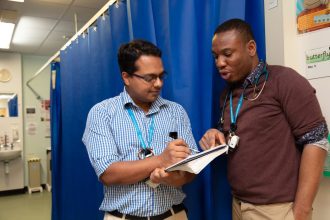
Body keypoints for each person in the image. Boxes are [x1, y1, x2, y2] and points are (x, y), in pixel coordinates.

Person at [199, 18, 329, 220]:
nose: (219, 63)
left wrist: (302, 211)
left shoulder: (285, 81)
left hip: (277, 209)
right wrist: (216, 134)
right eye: (215, 57)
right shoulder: (226, 95)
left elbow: (317, 141)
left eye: (227, 54)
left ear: (251, 48)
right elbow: (236, 136)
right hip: (239, 205)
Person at [82, 39, 198, 220]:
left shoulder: (176, 112)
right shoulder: (102, 113)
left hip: (173, 215)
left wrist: (169, 179)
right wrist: (161, 159)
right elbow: (108, 173)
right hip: (123, 216)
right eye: (149, 78)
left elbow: (190, 170)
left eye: (161, 76)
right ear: (126, 77)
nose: (158, 83)